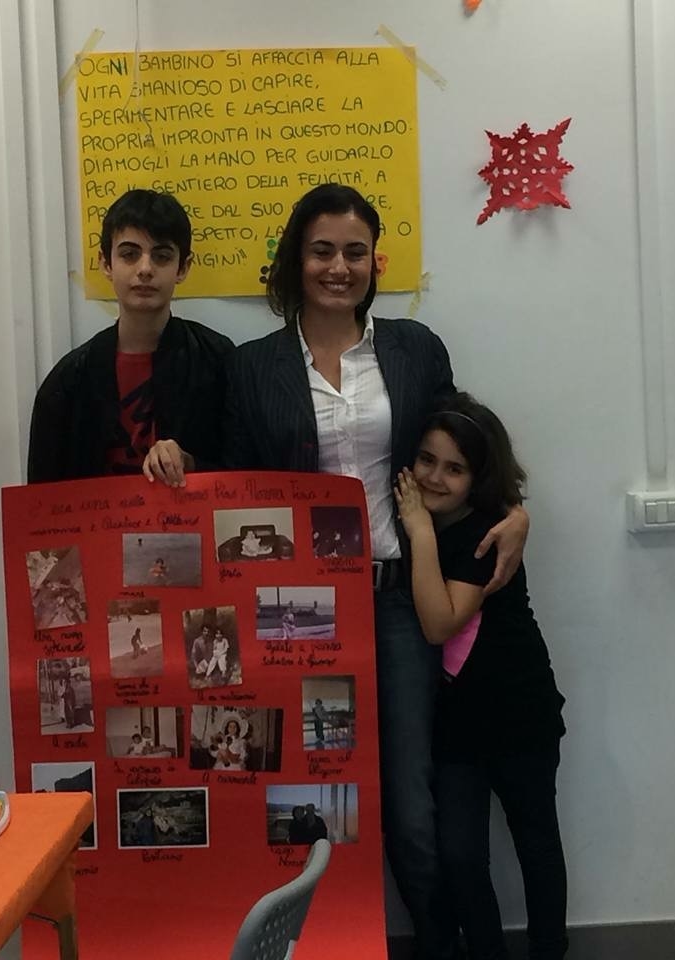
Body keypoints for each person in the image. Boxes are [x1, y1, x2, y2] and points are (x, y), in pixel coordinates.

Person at [143, 184, 528, 960]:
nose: (338, 267)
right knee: (308, 791)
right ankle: (323, 943)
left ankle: (440, 946)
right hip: (294, 609)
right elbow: (233, 480)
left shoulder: (414, 349)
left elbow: (462, 452)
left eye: (355, 251)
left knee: (409, 806)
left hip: (395, 601)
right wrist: (176, 457)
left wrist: (515, 508)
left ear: (373, 261)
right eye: (322, 250)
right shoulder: (252, 366)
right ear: (297, 257)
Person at [394, 399, 567, 960]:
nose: (434, 477)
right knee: (461, 855)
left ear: (479, 476)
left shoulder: (486, 532)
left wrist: (421, 532)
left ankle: (549, 950)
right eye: (426, 460)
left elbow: (441, 622)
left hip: (520, 713)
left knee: (536, 841)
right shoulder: (422, 520)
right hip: (458, 725)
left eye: (454, 468)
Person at [27, 189, 234, 483]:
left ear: (183, 267)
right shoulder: (68, 381)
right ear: (106, 264)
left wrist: (191, 464)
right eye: (129, 254)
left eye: (162, 256)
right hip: (97, 514)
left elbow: (246, 472)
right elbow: (41, 497)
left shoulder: (218, 362)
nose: (145, 269)